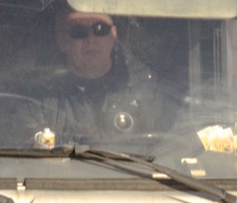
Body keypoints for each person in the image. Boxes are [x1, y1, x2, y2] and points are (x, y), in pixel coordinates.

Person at [43, 10, 167, 139]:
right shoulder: (40, 94)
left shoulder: (146, 88)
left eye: (100, 29)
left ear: (113, 35)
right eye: (79, 31)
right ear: (62, 41)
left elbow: (162, 148)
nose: (91, 39)